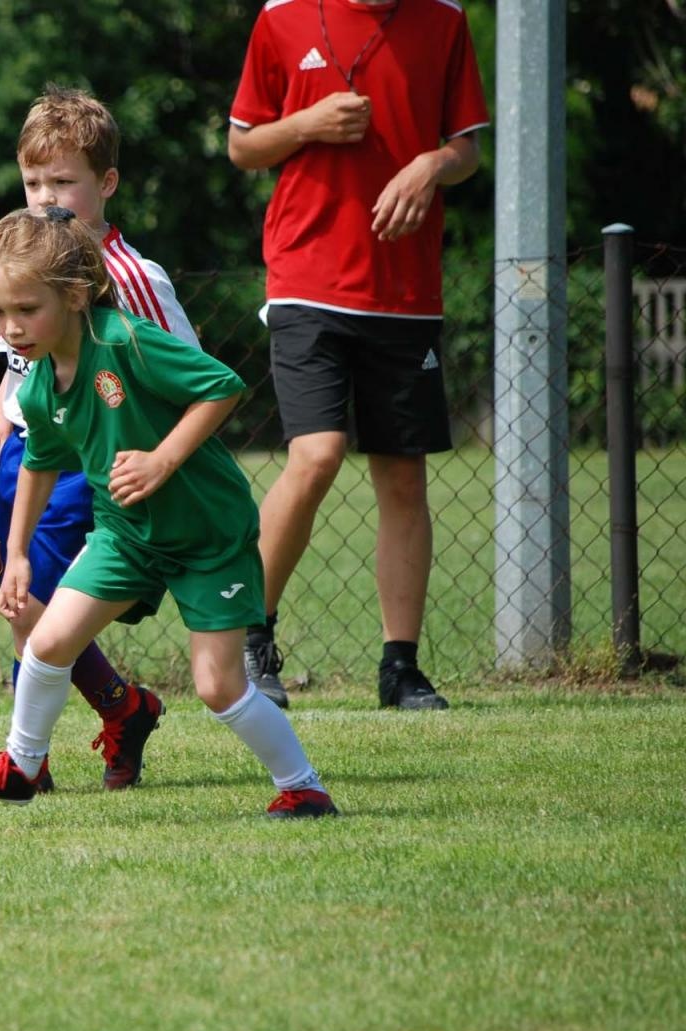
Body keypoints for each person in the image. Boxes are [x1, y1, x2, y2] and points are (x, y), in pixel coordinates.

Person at [0, 207, 337, 819]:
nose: (11, 327)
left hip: (206, 536)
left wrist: (162, 460)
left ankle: (305, 789)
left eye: (26, 309)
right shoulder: (37, 385)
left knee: (218, 686)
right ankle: (20, 767)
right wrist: (15, 555)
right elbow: (39, 461)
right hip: (124, 536)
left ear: (74, 295)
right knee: (48, 640)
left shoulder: (122, 339)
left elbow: (222, 385)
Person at [226, 0, 489, 710]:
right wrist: (307, 124)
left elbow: (467, 148)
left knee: (403, 479)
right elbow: (242, 146)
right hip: (306, 280)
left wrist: (431, 165)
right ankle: (253, 639)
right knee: (316, 455)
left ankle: (400, 668)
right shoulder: (281, 17)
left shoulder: (445, 19)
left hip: (406, 289)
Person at [0, 85, 200, 790]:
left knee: (39, 600)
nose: (45, 198)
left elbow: (187, 373)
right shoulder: (27, 255)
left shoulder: (134, 278)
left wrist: (160, 457)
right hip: (29, 450)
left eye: (62, 182)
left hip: (86, 460)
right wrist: (2, 409)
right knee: (23, 602)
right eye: (33, 182)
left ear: (106, 183)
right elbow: (24, 352)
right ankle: (123, 708)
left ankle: (27, 764)